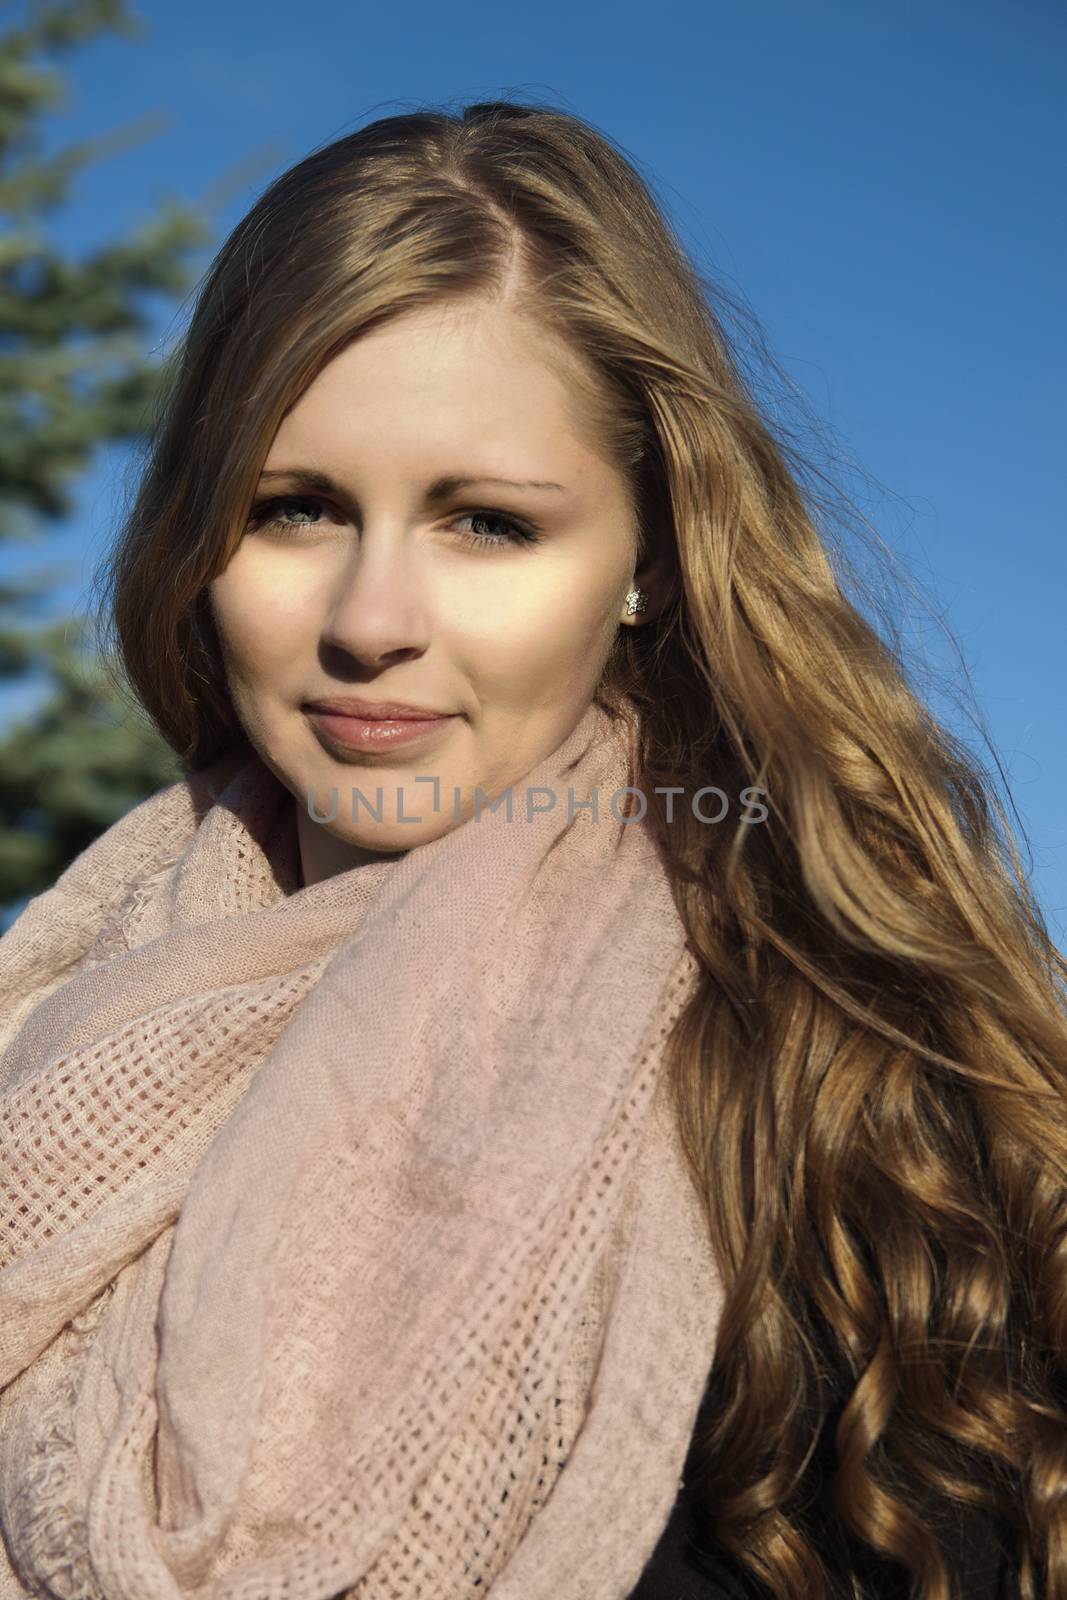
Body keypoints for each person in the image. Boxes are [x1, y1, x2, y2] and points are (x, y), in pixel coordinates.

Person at [0, 98, 1062, 1600]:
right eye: (293, 509)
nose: (373, 622)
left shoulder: (832, 1101)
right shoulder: (48, 1022)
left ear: (644, 559)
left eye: (487, 525)